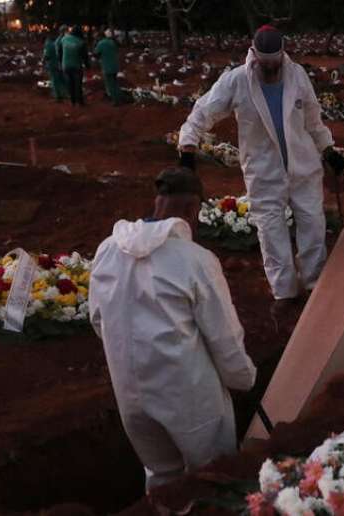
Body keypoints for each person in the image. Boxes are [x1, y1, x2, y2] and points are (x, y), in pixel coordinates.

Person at [89, 167, 257, 491]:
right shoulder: (195, 259)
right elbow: (224, 336)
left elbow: (99, 320)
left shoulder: (107, 250)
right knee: (212, 478)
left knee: (162, 478)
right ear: (193, 209)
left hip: (130, 396)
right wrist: (244, 377)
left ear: (158, 202)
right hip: (189, 398)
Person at [177, 25, 344, 317]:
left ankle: (314, 285)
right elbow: (204, 111)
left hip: (304, 168)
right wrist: (187, 147)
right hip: (263, 172)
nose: (270, 69)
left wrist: (328, 150)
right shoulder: (237, 81)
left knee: (313, 225)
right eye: (264, 64)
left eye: (274, 63)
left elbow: (313, 120)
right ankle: (284, 292)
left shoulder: (297, 76)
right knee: (271, 231)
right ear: (254, 56)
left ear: (282, 55)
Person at [58, 25, 90, 106]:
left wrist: (60, 62)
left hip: (65, 65)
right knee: (78, 84)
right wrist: (87, 66)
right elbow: (85, 56)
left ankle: (73, 101)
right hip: (76, 66)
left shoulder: (64, 39)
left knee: (70, 83)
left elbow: (60, 52)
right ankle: (80, 102)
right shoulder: (81, 42)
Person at [94, 29, 122, 106]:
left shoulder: (100, 43)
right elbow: (116, 50)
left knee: (110, 84)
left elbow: (96, 54)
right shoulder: (112, 42)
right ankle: (119, 97)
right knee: (115, 83)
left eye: (97, 37)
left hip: (107, 66)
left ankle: (115, 100)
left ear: (100, 36)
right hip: (115, 65)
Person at [41, 30, 66, 102]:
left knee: (54, 81)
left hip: (52, 64)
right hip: (57, 64)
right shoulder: (54, 43)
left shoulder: (47, 44)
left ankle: (58, 96)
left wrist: (43, 61)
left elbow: (47, 55)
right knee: (61, 80)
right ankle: (64, 93)